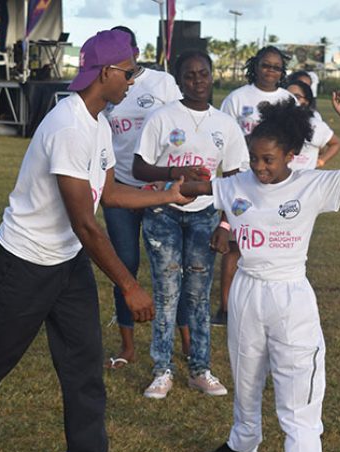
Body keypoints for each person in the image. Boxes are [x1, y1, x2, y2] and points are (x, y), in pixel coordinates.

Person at [0, 30, 193, 452]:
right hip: (24, 261)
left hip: (67, 264)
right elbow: (86, 225)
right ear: (106, 73)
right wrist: (130, 286)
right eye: (129, 72)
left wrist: (168, 193)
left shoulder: (100, 123)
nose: (132, 81)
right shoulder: (68, 126)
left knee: (84, 365)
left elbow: (107, 194)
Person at [183, 92, 340, 452]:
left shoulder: (309, 183)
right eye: (254, 159)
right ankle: (242, 442)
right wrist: (189, 178)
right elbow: (201, 188)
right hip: (248, 288)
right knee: (245, 373)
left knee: (298, 384)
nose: (260, 167)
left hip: (290, 294)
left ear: (289, 154)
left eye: (268, 159)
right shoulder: (238, 184)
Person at [133, 50, 249, 399]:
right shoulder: (162, 118)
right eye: (189, 76)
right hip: (162, 211)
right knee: (167, 292)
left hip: (204, 215)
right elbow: (139, 168)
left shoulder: (226, 125)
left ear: (212, 76)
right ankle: (162, 370)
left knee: (198, 295)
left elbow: (235, 181)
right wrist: (175, 174)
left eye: (203, 74)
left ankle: (200, 369)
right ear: (179, 80)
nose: (197, 81)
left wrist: (225, 226)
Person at [101, 25, 188, 370]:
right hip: (121, 188)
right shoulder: (109, 85)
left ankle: (186, 341)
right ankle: (127, 347)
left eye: (125, 49)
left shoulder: (162, 83)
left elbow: (180, 124)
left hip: (159, 191)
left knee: (170, 268)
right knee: (124, 265)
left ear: (136, 50)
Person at [215, 46, 295, 326]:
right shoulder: (237, 98)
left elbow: (294, 136)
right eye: (265, 65)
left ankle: (268, 307)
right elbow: (222, 133)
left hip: (275, 183)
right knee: (237, 245)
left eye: (276, 67)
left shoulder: (287, 99)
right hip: (243, 180)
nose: (270, 71)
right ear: (255, 66)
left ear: (281, 72)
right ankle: (225, 309)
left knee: (271, 242)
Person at [285, 80, 340, 170]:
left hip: (306, 181)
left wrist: (321, 161)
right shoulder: (272, 123)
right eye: (287, 96)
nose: (291, 100)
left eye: (297, 97)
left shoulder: (315, 124)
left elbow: (336, 143)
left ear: (306, 101)